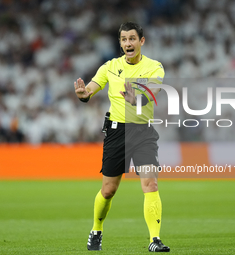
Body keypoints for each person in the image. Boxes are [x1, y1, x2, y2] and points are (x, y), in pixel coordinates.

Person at [74, 22, 170, 252]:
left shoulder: (154, 67)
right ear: (120, 43)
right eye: (124, 39)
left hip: (143, 132)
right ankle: (96, 229)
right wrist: (83, 94)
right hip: (117, 132)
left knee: (151, 183)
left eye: (132, 39)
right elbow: (89, 90)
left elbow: (153, 92)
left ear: (141, 41)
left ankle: (154, 240)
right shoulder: (109, 67)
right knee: (108, 190)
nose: (128, 43)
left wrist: (136, 99)